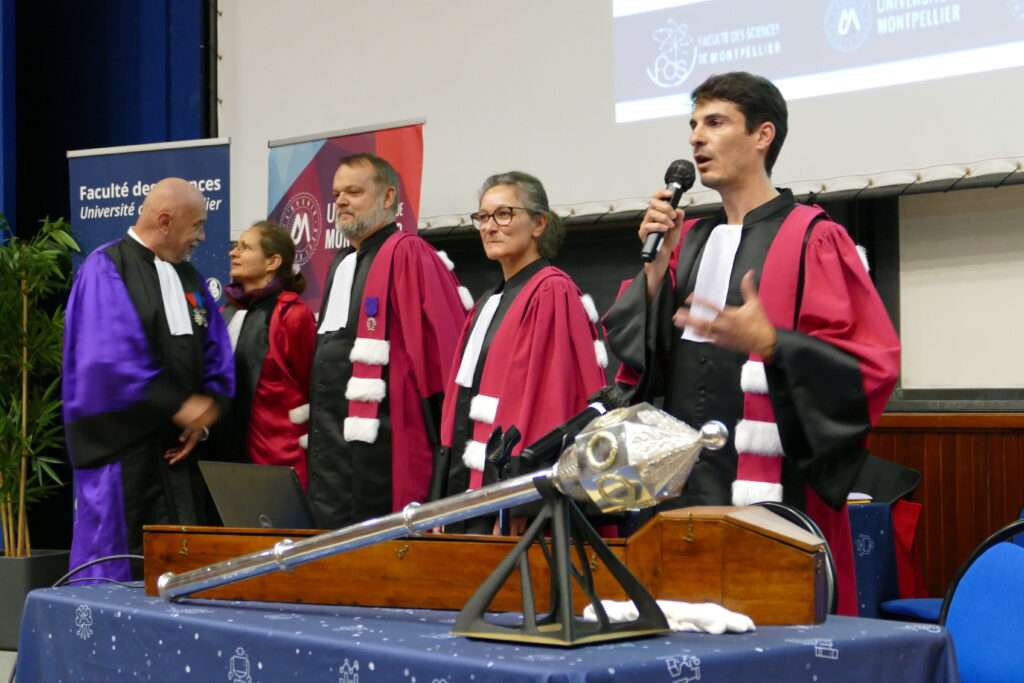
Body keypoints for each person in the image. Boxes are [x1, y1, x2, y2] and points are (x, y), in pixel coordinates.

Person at [603, 72, 901, 615]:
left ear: (763, 135)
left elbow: (870, 367)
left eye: (715, 123)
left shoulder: (813, 236)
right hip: (683, 493)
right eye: (694, 124)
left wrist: (775, 343)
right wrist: (656, 270)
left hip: (775, 491)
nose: (696, 137)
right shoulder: (690, 240)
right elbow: (641, 366)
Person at [63, 177, 234, 580]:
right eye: (197, 225)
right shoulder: (106, 268)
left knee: (178, 574)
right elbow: (108, 359)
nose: (202, 236)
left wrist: (204, 416)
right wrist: (180, 407)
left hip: (178, 457)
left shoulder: (191, 279)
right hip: (123, 458)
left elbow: (217, 351)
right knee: (118, 572)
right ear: (165, 221)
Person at [431, 172, 608, 534]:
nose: (489, 227)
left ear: (539, 223)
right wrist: (443, 502)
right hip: (472, 492)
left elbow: (551, 403)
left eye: (504, 214)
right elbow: (459, 407)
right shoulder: (489, 302)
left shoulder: (551, 292)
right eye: (483, 217)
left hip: (512, 507)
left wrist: (521, 501)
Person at [303, 153, 470, 529]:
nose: (341, 202)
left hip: (384, 450)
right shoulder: (340, 264)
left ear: (388, 196)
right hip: (331, 453)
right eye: (336, 194)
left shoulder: (409, 253)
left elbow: (441, 358)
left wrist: (446, 459)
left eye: (353, 192)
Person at [212, 221, 316, 488]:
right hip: (225, 462)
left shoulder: (293, 316)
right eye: (235, 246)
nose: (233, 253)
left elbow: (311, 387)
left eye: (245, 247)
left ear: (273, 262)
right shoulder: (225, 313)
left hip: (278, 462)